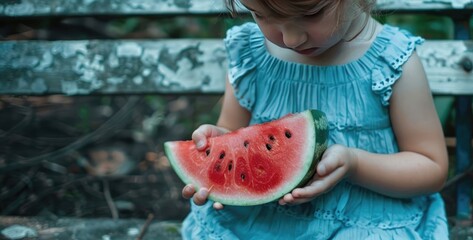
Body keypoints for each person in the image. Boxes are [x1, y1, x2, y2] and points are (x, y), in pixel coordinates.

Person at [181, 0, 449, 239]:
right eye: (261, 15)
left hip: (364, 221)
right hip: (263, 222)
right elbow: (232, 133)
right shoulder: (250, 54)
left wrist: (355, 165)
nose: (291, 38)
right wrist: (215, 144)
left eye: (311, 14)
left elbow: (431, 167)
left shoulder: (391, 61)